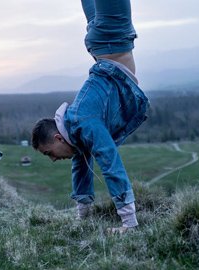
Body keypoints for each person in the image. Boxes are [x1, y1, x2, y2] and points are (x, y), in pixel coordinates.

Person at [31, 0, 149, 233]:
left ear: (57, 137)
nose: (53, 159)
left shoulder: (83, 123)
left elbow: (109, 161)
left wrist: (129, 223)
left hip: (111, 38)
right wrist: (82, 216)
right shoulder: (75, 133)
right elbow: (81, 169)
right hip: (102, 44)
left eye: (49, 153)